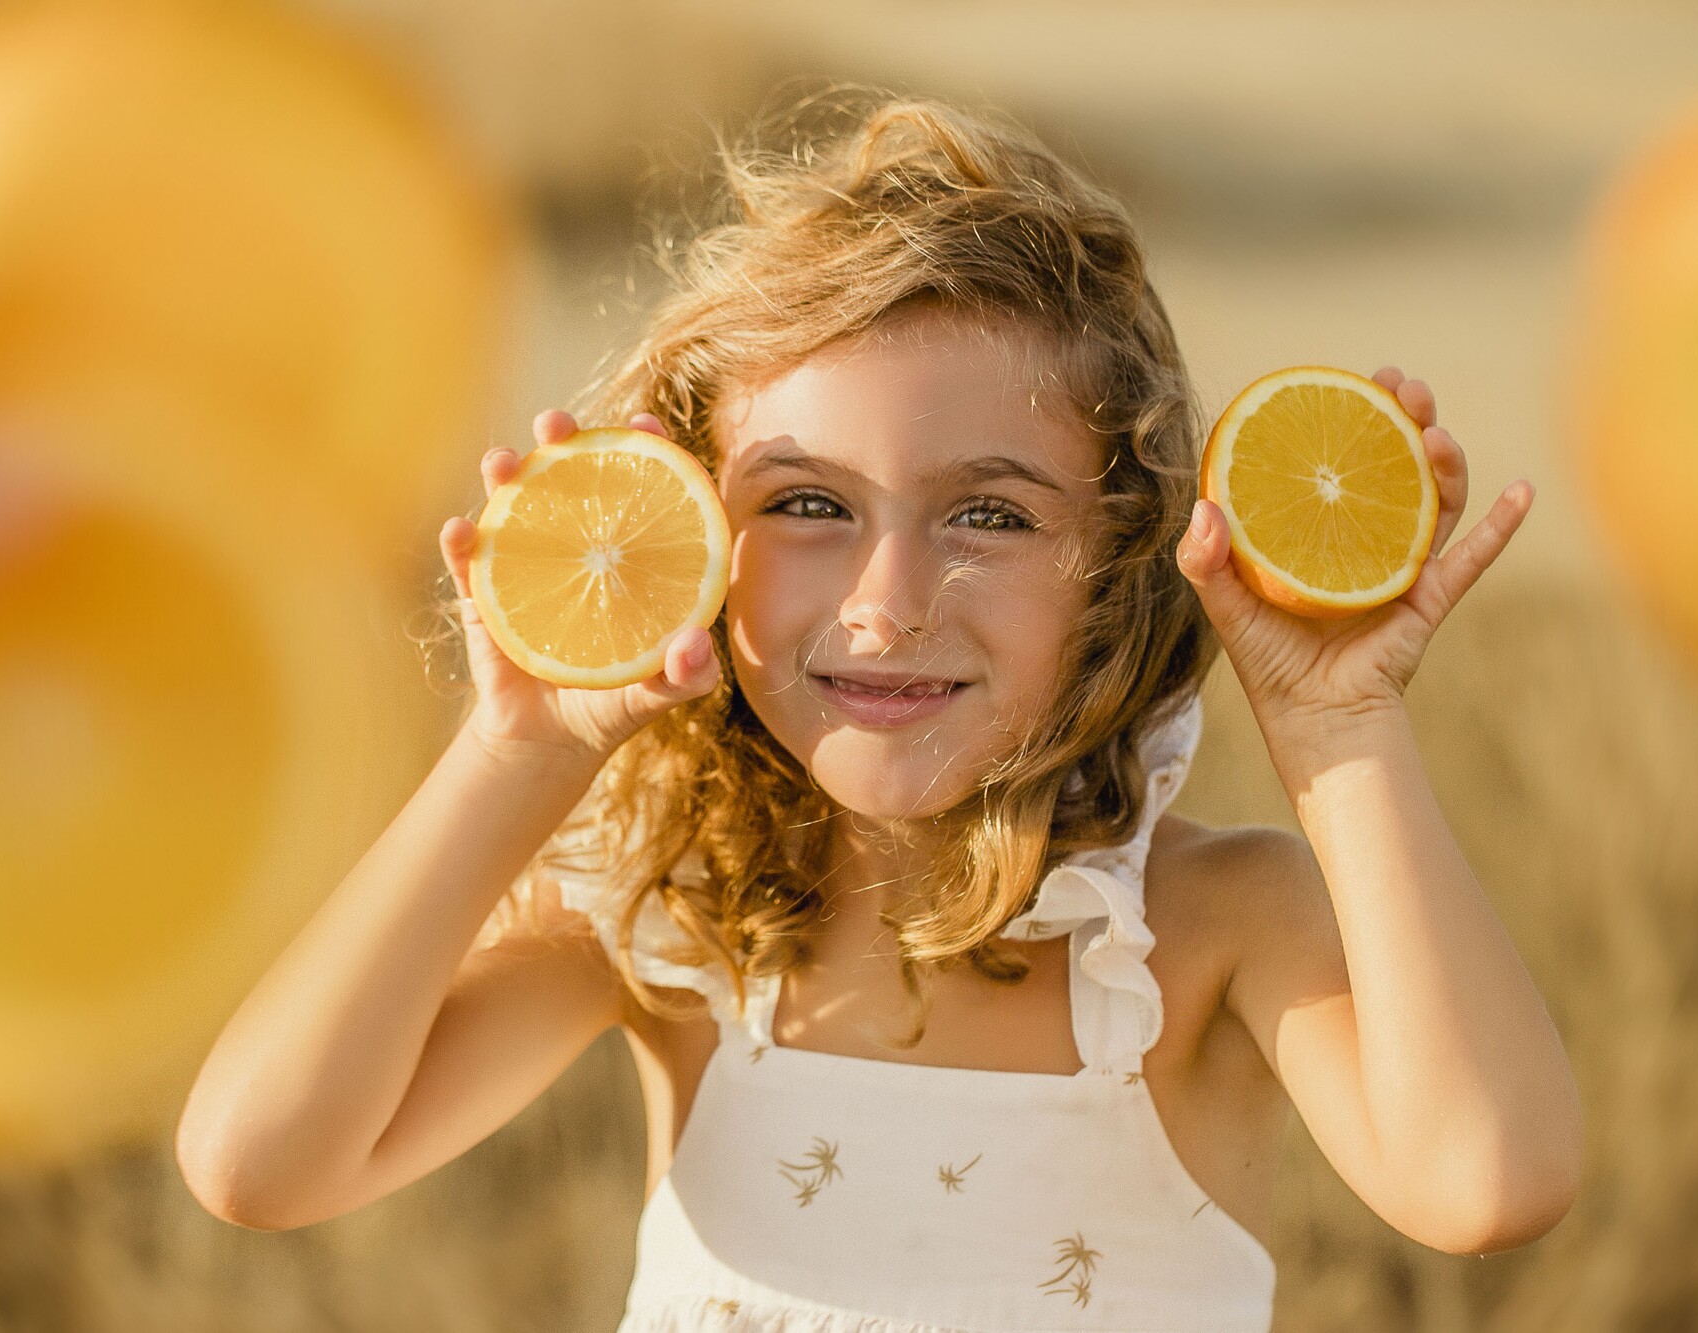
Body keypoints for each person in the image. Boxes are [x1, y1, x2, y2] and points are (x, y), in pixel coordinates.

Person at [176, 92, 1580, 1331]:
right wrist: (521, 745)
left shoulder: (1208, 936)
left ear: (1124, 553)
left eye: (987, 511)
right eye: (806, 505)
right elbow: (261, 1160)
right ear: (696, 537)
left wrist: (1342, 734)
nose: (887, 600)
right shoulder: (675, 930)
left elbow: (1487, 1180)